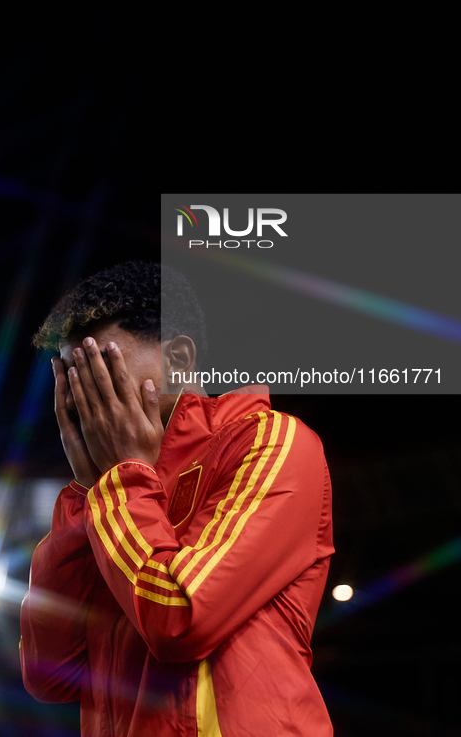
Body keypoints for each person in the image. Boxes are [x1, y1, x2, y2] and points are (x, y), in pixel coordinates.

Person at [20, 260, 334, 736]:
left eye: (103, 369)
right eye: (72, 377)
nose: (84, 397)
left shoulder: (271, 443)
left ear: (180, 361)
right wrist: (87, 495)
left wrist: (121, 479)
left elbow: (179, 616)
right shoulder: (110, 498)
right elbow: (51, 674)